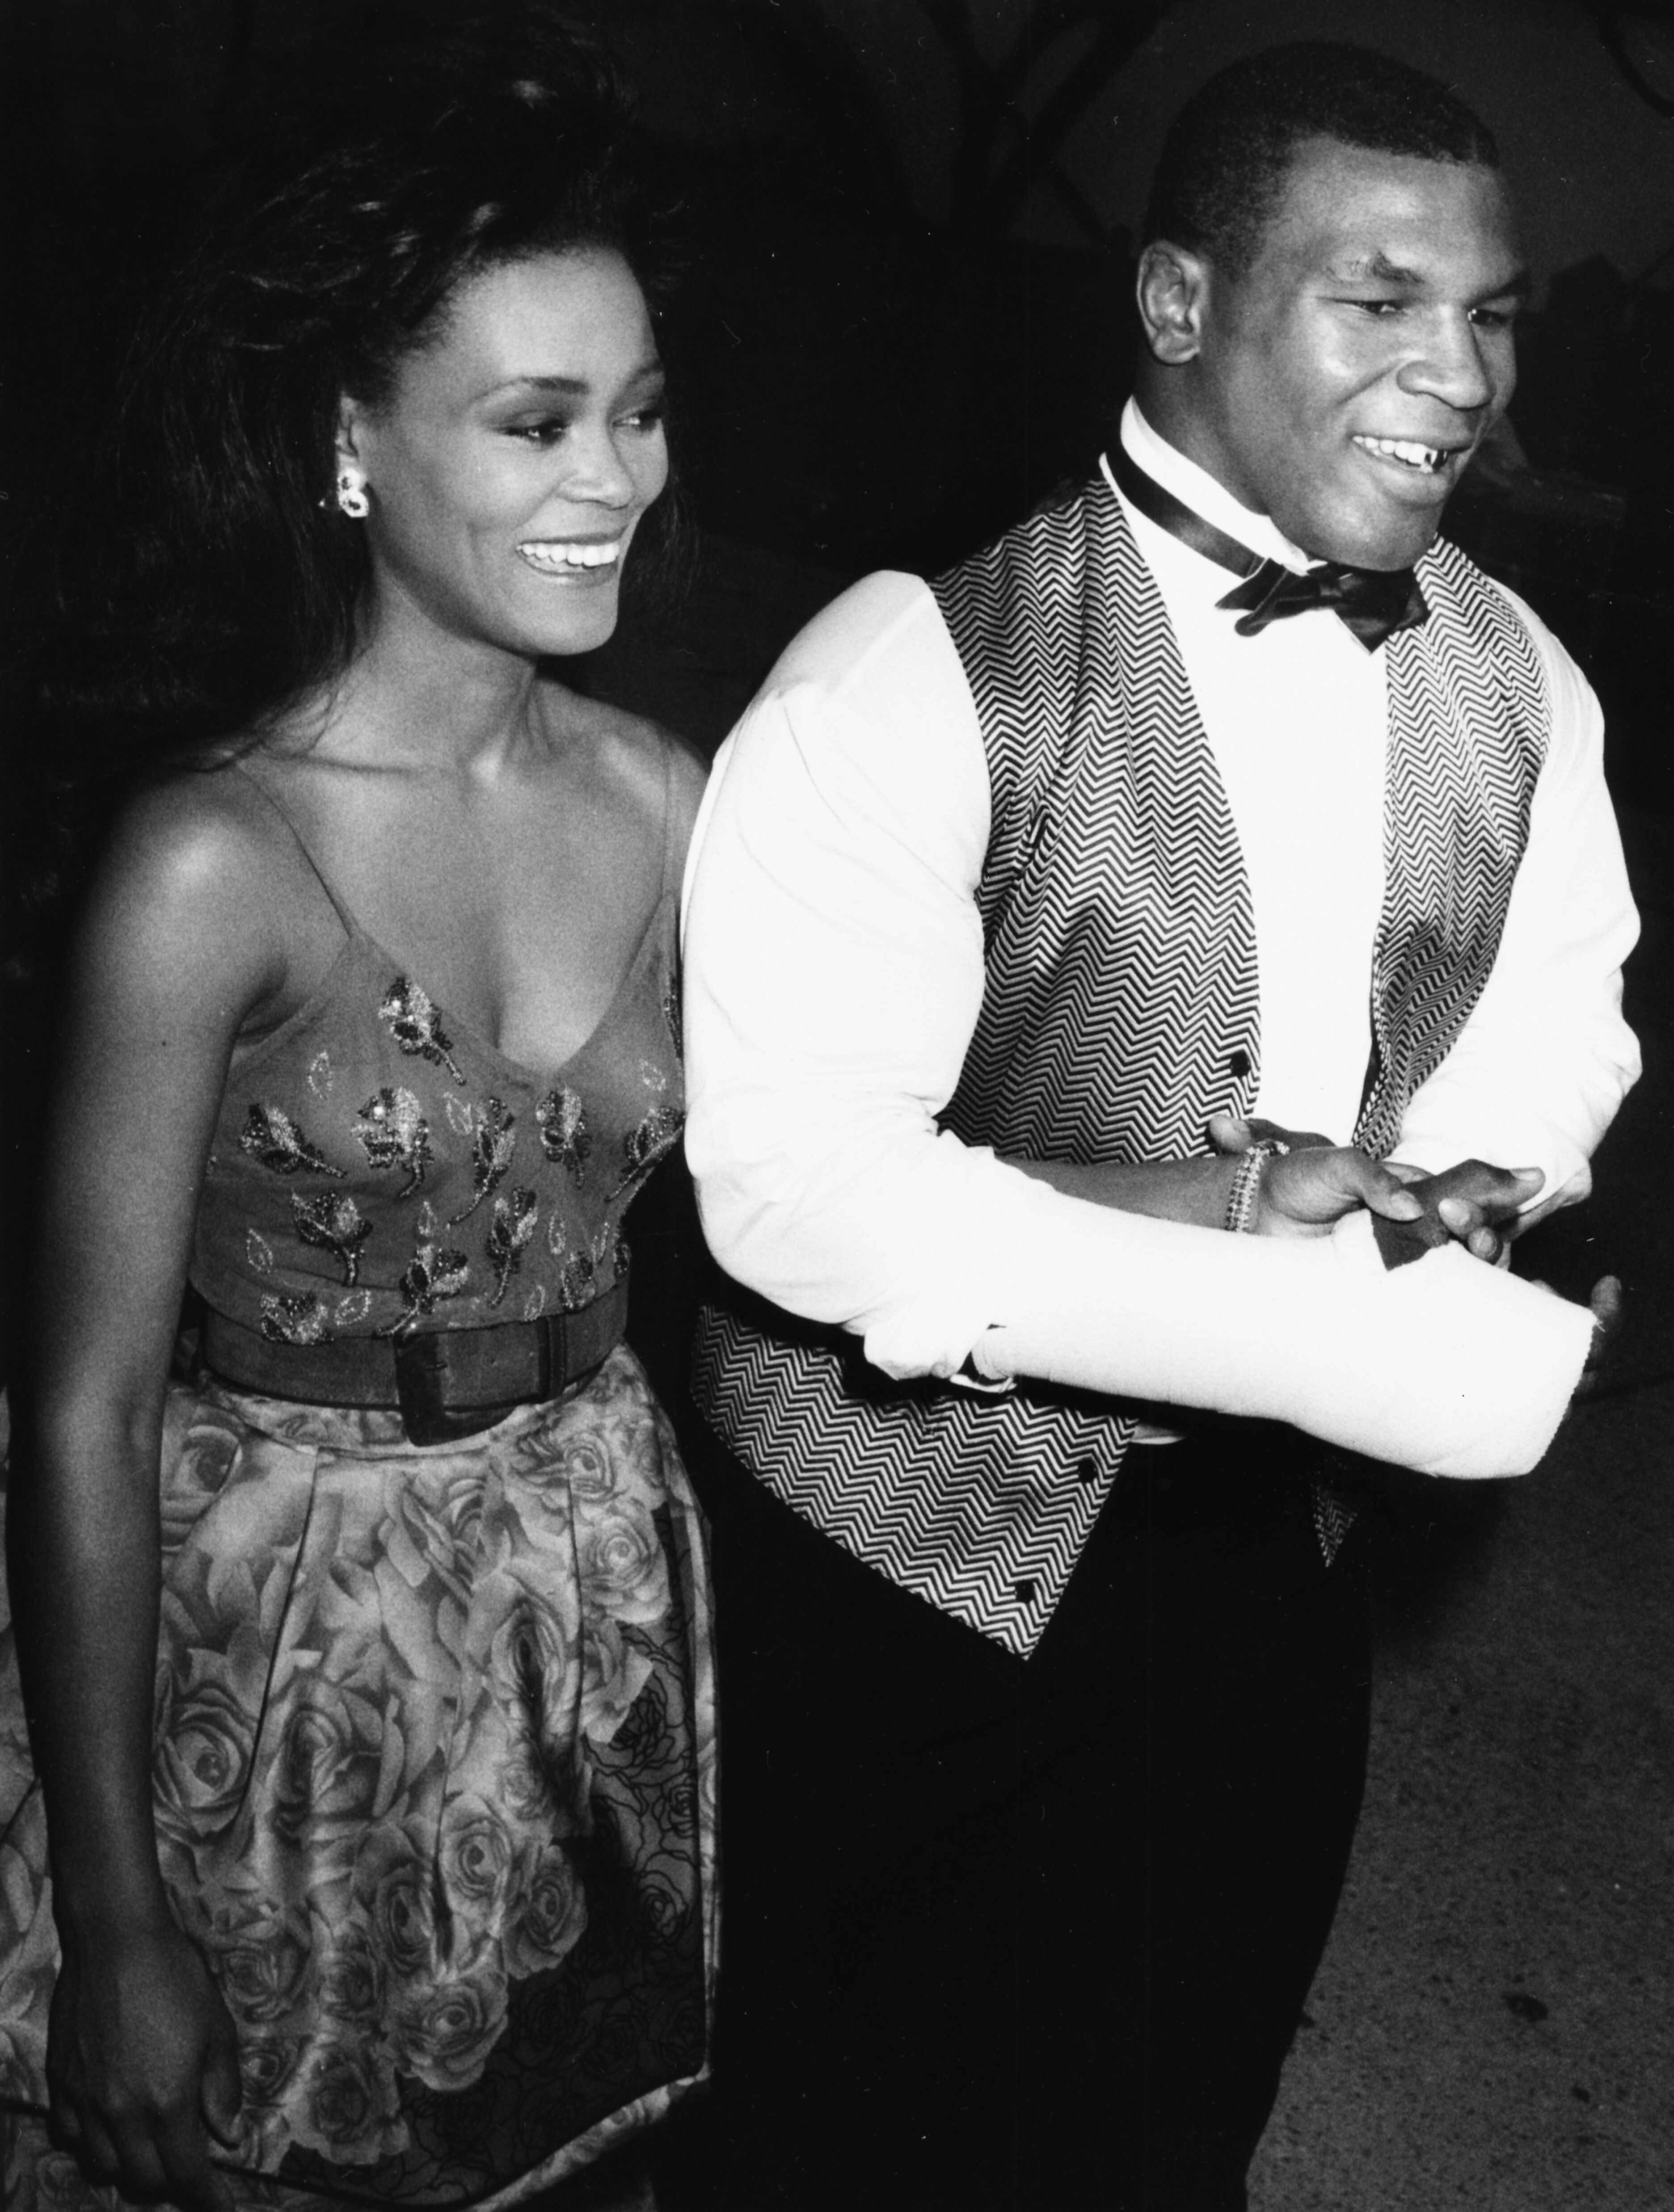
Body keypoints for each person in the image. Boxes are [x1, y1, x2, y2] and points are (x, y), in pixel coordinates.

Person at [677, 39, 1639, 2212]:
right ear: (1182, 302)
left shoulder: (1525, 677)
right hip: (888, 1542)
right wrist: (1309, 1316)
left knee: (1152, 2124)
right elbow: (799, 1184)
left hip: (1257, 1562)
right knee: (822, 2141)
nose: (1458, 371)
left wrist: (1483, 1174)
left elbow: (1551, 1006)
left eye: (1486, 313)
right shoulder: (918, 662)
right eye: (1377, 298)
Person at [0, 32, 713, 2212]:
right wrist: (117, 1915)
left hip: (588, 1579)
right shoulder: (211, 862)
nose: (621, 474)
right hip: (278, 1628)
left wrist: (1237, 1191)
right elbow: (83, 1405)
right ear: (346, 444)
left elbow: (866, 1182)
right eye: (535, 421)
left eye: (644, 406)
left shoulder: (672, 796)